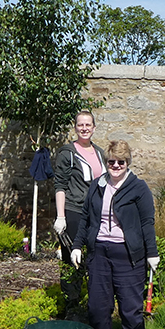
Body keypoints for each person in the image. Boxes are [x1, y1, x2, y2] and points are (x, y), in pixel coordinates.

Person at [69, 140, 158, 329]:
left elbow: (147, 223)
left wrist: (152, 253)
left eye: (121, 161)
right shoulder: (97, 186)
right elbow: (86, 217)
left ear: (127, 162)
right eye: (111, 161)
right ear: (106, 162)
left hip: (128, 256)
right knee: (98, 307)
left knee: (130, 311)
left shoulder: (138, 188)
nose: (116, 165)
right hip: (99, 253)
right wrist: (77, 245)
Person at [53, 111, 106, 316]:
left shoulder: (100, 153)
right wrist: (60, 217)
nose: (84, 128)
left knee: (94, 256)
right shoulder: (67, 153)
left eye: (88, 125)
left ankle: (92, 302)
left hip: (96, 213)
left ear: (94, 127)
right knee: (71, 259)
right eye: (80, 125)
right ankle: (71, 306)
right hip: (73, 211)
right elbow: (60, 185)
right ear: (75, 127)